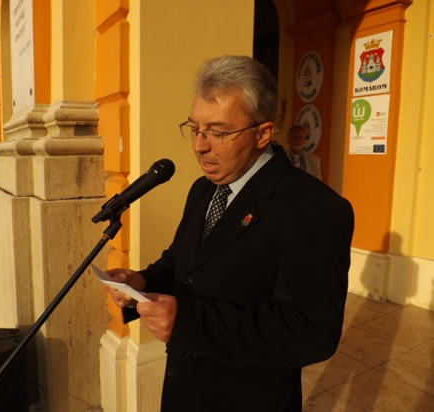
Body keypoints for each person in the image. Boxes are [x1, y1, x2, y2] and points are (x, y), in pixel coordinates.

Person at [106, 56, 354, 411]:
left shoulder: (315, 208)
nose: (199, 145)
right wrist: (143, 282)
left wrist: (190, 323)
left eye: (218, 132)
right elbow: (183, 261)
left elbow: (311, 333)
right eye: (195, 128)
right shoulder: (204, 188)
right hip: (184, 389)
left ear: (263, 133)